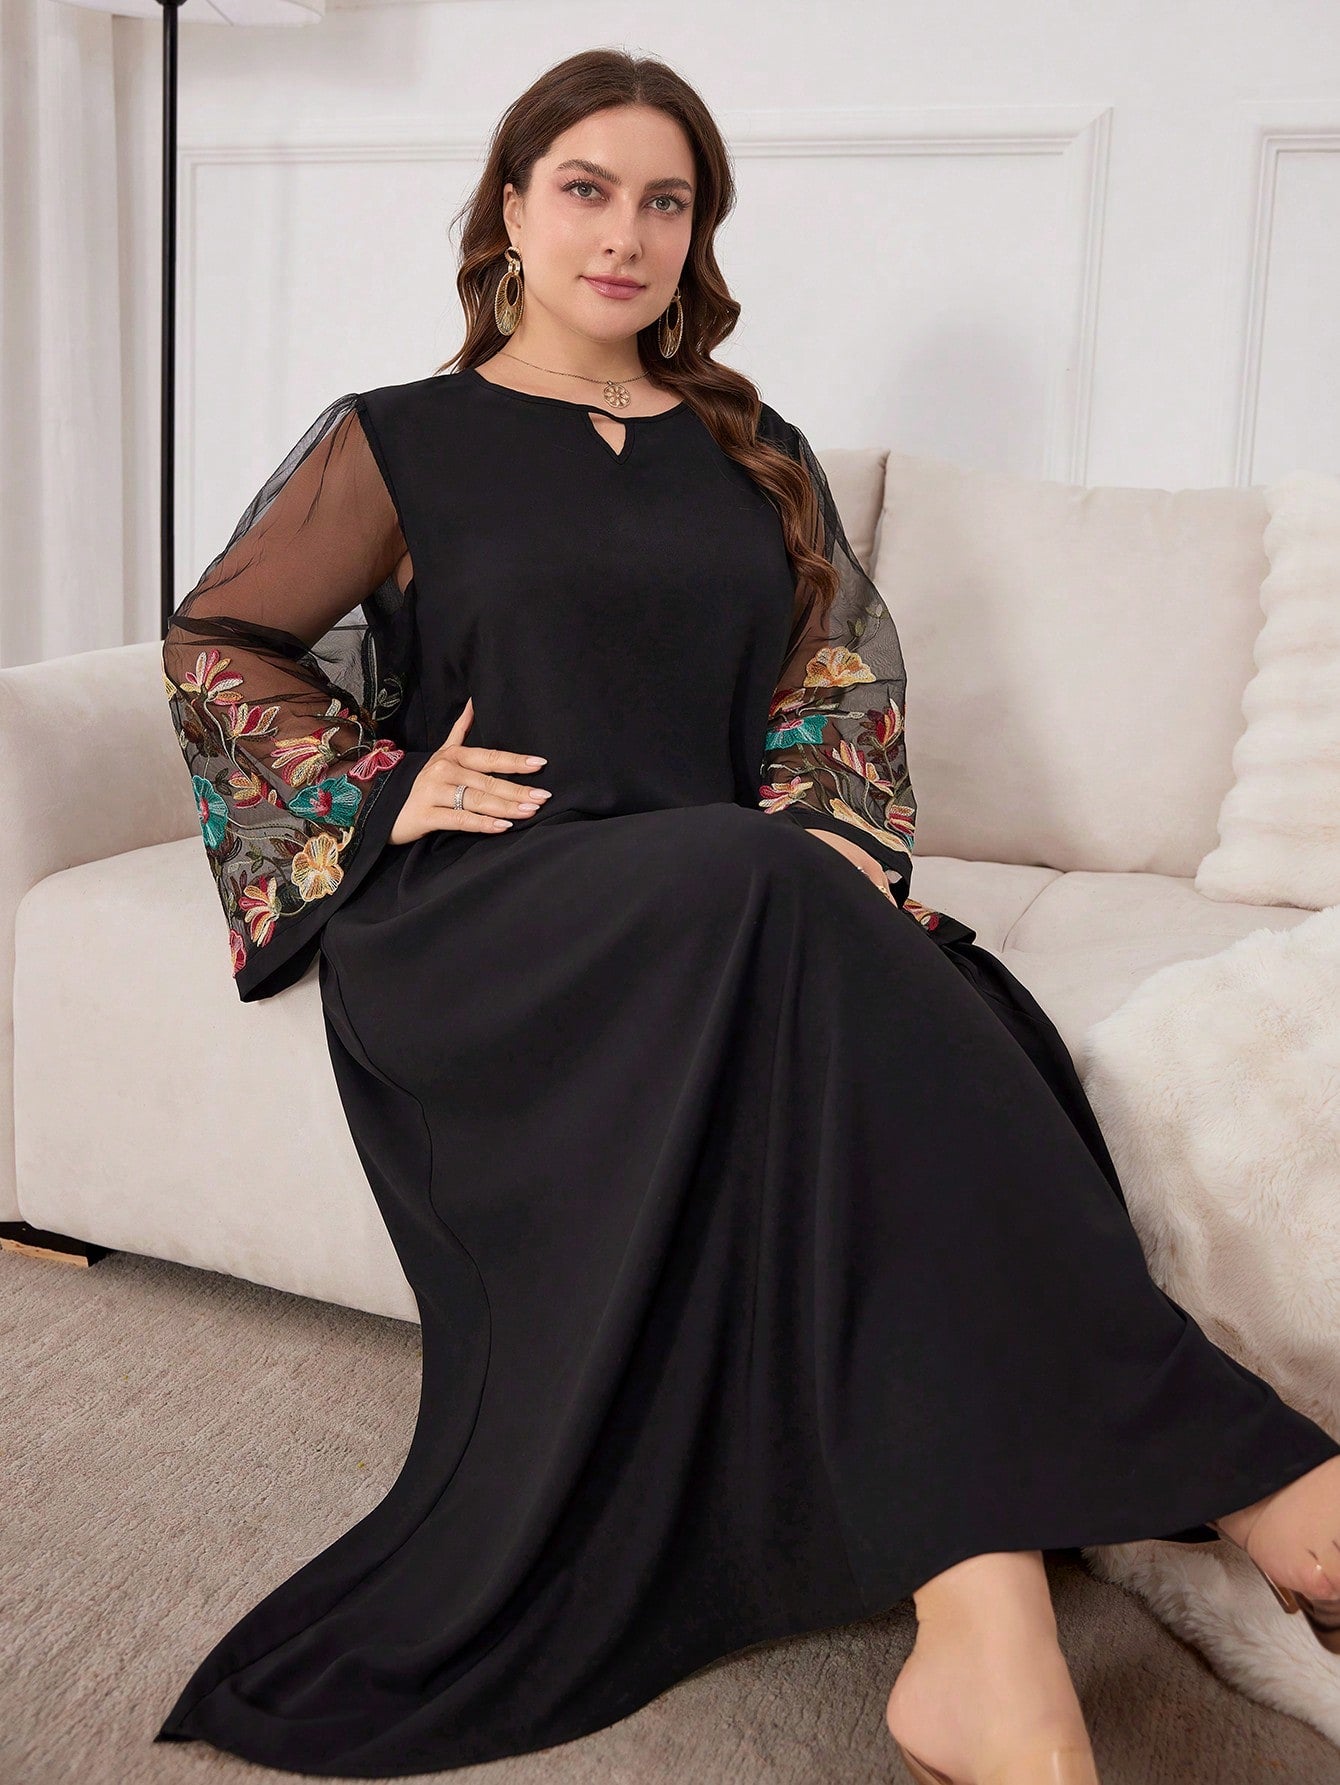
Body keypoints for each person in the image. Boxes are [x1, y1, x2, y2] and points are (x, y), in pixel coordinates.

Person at [153, 49, 1340, 1785]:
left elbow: (831, 684)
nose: (624, 234)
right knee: (779, 897)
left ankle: (987, 1635)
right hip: (493, 921)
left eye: (667, 201)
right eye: (586, 188)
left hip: (730, 904)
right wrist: (378, 785)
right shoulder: (397, 439)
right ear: (510, 207)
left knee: (946, 994)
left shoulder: (747, 444)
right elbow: (220, 640)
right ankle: (1254, 1470)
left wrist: (842, 845)